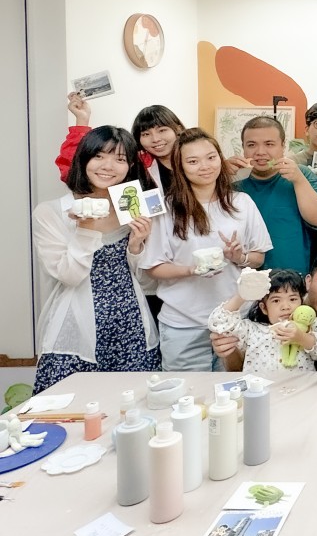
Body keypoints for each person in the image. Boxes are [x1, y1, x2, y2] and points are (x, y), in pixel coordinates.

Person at [32, 126, 160, 393]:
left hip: (130, 324)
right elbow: (69, 275)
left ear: (130, 166)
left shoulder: (131, 207)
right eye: (99, 156)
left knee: (130, 405)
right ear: (83, 158)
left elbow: (147, 281)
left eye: (120, 159)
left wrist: (136, 245)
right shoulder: (51, 212)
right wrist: (86, 229)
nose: (108, 166)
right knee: (69, 405)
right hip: (75, 326)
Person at [140, 128, 272, 371]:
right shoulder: (167, 209)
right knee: (187, 392)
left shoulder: (241, 203)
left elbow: (258, 257)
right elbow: (153, 267)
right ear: (180, 166)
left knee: (234, 389)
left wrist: (239, 257)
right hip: (183, 324)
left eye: (211, 157)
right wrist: (192, 270)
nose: (205, 166)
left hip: (234, 319)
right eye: (193, 161)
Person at [212, 243, 317, 370]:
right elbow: (234, 364)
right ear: (308, 281)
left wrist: (303, 338)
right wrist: (229, 351)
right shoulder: (262, 312)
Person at [234, 115, 317, 274]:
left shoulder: (301, 174)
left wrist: (298, 180)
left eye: (269, 144)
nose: (260, 152)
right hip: (243, 278)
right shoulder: (235, 183)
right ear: (243, 148)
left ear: (283, 146)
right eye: (251, 145)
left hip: (291, 279)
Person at [208, 269, 317, 374]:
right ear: (264, 308)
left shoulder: (311, 327)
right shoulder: (251, 330)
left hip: (300, 389)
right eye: (276, 300)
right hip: (261, 390)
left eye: (293, 299)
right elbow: (218, 323)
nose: (286, 307)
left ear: (302, 302)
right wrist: (242, 296)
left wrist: (301, 337)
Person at [57, 95, 185, 192]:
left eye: (162, 130)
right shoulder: (139, 163)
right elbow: (75, 167)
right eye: (146, 134)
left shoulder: (193, 155)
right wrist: (82, 120)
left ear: (178, 129)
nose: (155, 139)